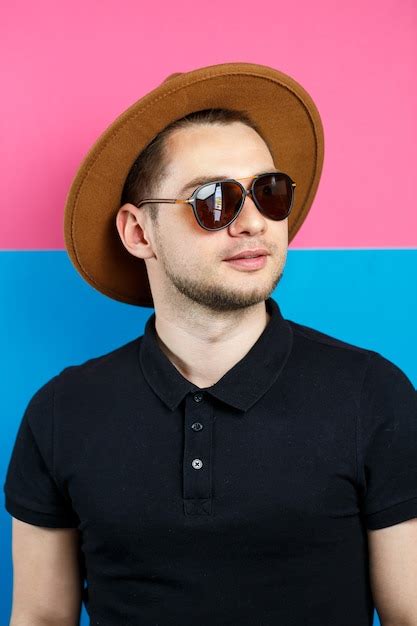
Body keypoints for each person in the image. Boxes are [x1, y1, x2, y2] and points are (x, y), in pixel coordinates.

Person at [3, 62, 417, 626]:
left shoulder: (373, 393)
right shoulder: (60, 412)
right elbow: (41, 617)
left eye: (269, 193)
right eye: (214, 200)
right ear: (138, 232)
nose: (252, 223)